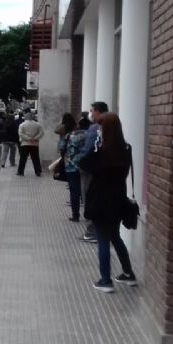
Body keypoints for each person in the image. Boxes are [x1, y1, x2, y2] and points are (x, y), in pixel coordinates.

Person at [79, 113, 136, 293]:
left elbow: (84, 163)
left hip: (100, 200)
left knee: (103, 239)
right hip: (118, 198)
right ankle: (128, 273)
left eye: (101, 127)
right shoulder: (126, 148)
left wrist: (95, 145)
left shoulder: (101, 151)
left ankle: (105, 280)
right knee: (115, 237)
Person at [79, 101, 109, 243]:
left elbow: (88, 150)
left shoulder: (94, 128)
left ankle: (92, 231)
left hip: (91, 170)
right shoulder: (114, 127)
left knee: (88, 197)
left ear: (97, 111)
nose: (90, 113)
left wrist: (80, 162)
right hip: (106, 171)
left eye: (92, 110)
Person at [61, 116, 90, 222]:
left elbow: (61, 147)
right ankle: (88, 215)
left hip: (71, 166)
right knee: (87, 190)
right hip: (86, 166)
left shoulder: (69, 135)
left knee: (74, 191)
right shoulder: (90, 135)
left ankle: (75, 215)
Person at [17, 111, 44, 177]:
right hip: (34, 144)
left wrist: (28, 138)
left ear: (25, 117)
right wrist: (34, 138)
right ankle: (38, 171)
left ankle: (20, 171)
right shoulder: (38, 124)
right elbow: (41, 133)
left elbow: (20, 134)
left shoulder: (22, 125)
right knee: (35, 158)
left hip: (25, 143)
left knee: (23, 158)